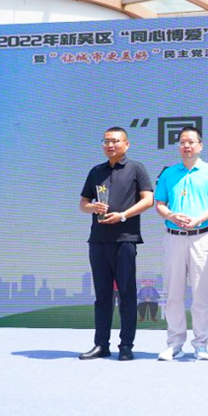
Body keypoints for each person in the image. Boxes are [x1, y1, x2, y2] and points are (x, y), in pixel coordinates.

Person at [78, 127, 154, 361]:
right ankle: (101, 344)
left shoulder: (136, 168)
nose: (110, 145)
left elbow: (148, 200)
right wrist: (92, 207)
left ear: (126, 144)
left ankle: (126, 345)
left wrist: (122, 216)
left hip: (125, 239)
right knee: (102, 296)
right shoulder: (96, 171)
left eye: (115, 141)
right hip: (98, 240)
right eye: (106, 141)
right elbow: (83, 203)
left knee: (127, 294)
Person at [154, 127, 208, 361]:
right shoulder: (169, 173)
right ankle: (175, 344)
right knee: (173, 293)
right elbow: (159, 204)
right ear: (178, 146)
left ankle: (201, 344)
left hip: (200, 236)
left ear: (200, 145)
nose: (187, 146)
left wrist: (199, 219)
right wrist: (171, 215)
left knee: (200, 293)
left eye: (192, 142)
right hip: (173, 237)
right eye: (183, 142)